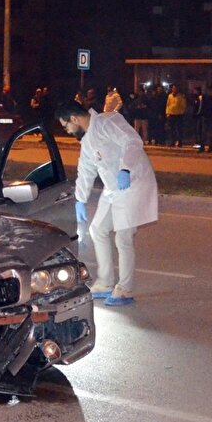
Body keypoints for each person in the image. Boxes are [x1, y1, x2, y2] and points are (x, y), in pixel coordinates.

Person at [55, 100, 157, 307]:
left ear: (74, 118)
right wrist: (80, 200)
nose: (67, 131)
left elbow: (132, 141)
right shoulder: (87, 141)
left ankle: (125, 289)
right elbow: (85, 171)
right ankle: (105, 282)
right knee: (97, 229)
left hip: (133, 183)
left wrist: (126, 169)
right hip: (113, 191)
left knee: (124, 237)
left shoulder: (108, 121)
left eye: (66, 126)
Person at [197, 86, 212, 153]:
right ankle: (202, 146)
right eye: (208, 91)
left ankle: (210, 147)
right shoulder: (204, 98)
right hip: (205, 117)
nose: (209, 92)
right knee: (203, 133)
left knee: (211, 133)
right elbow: (202, 106)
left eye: (211, 91)